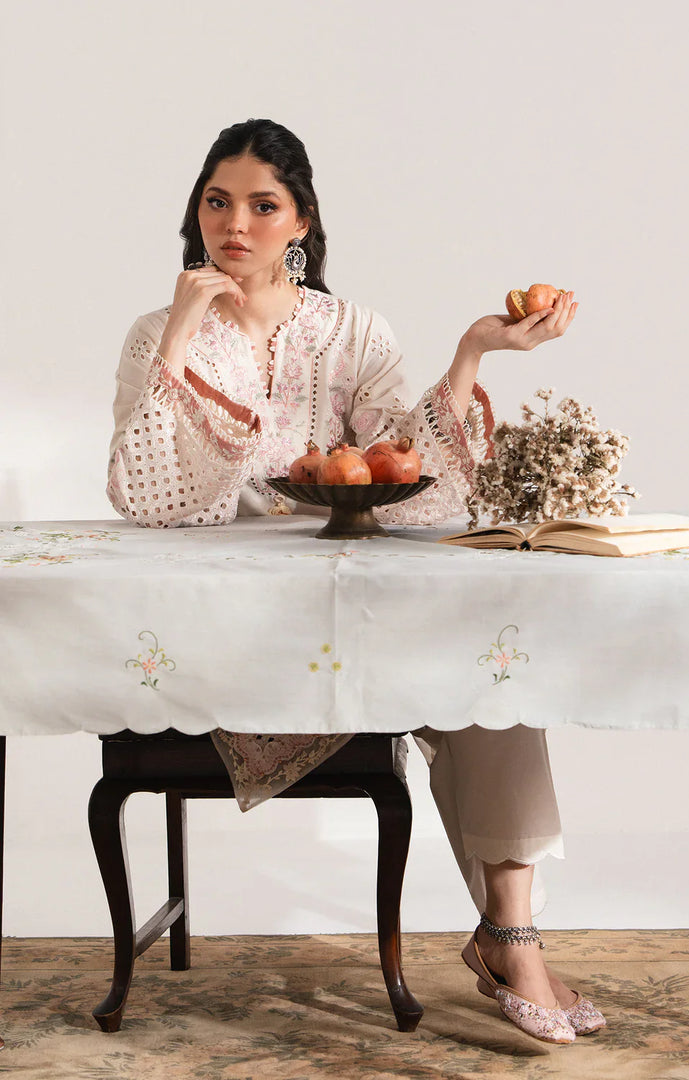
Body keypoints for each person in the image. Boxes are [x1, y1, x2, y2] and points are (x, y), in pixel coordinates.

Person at [107, 118, 603, 1045]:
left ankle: (510, 934)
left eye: (263, 205)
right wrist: (181, 324)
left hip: (358, 599)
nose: (236, 225)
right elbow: (145, 493)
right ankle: (510, 943)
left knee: (493, 677)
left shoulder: (350, 330)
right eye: (218, 202)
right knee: (468, 669)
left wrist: (472, 352)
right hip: (234, 626)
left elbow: (404, 470)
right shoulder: (157, 332)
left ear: (301, 221)